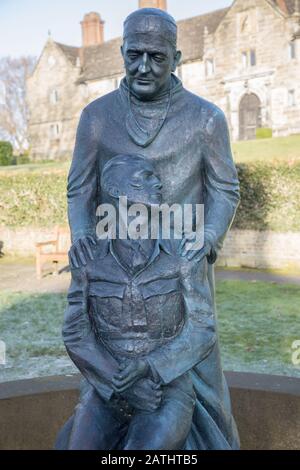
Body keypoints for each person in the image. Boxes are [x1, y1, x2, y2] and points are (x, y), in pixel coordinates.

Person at [64, 8, 240, 450]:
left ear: (176, 58)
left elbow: (224, 188)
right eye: (135, 55)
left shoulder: (206, 119)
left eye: (157, 57)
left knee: (197, 381)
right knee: (107, 382)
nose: (144, 66)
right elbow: (80, 190)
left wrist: (207, 239)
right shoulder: (97, 117)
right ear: (122, 53)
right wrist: (86, 241)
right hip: (117, 265)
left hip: (182, 262)